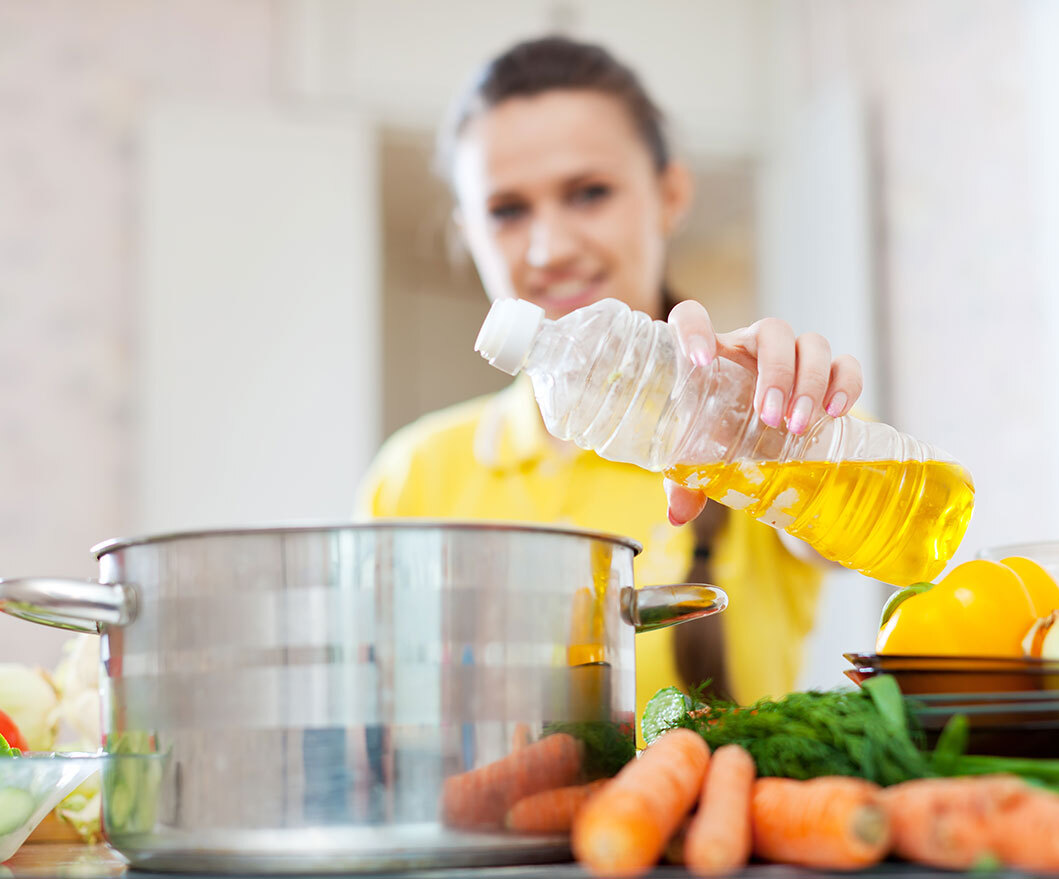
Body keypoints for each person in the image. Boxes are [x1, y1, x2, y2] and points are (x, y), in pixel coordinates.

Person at [356, 36, 864, 719]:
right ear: (468, 230)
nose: (551, 247)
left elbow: (868, 533)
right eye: (507, 210)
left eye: (589, 192)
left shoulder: (756, 429)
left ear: (670, 194)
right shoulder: (413, 476)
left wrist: (793, 434)